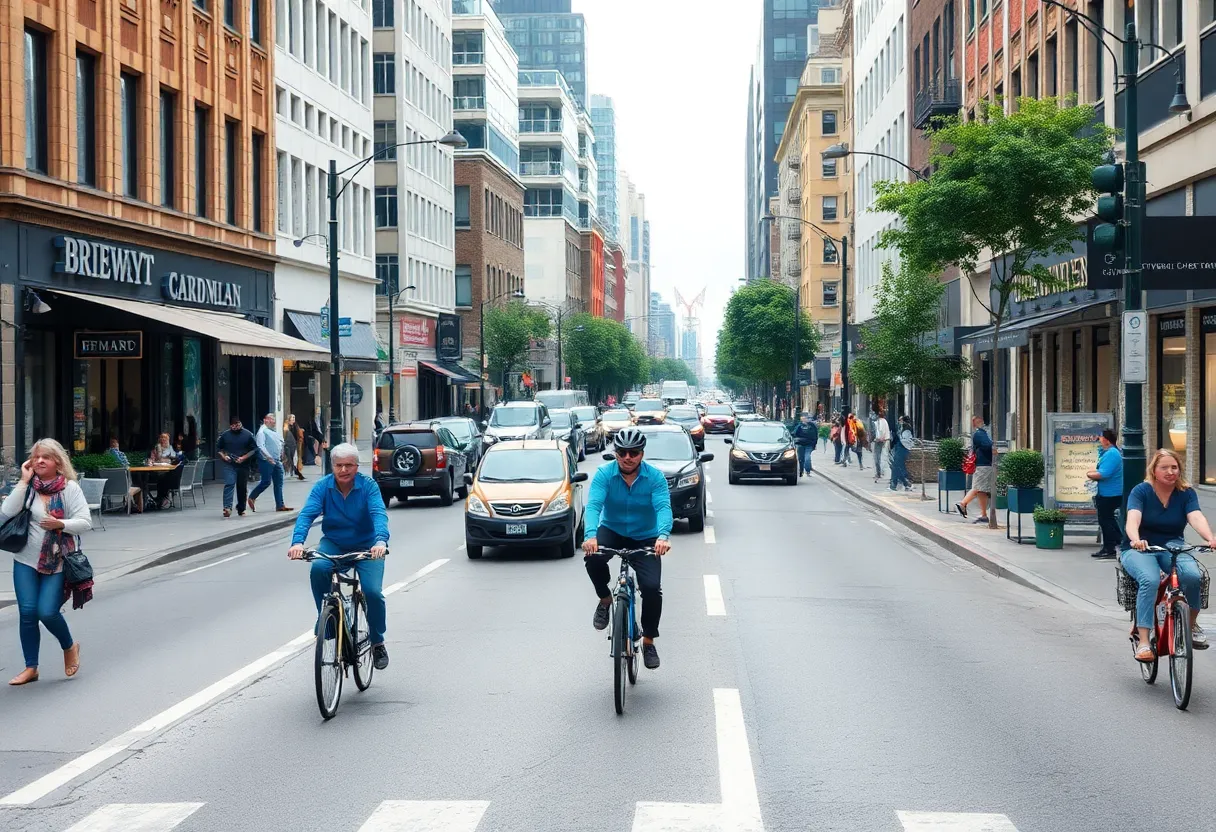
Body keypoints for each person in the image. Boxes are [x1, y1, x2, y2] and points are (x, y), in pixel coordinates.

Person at [288, 443, 390, 671]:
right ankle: (327, 620)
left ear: (357, 466)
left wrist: (380, 542)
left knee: (372, 592)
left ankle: (377, 642)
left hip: (368, 547)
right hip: (334, 543)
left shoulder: (368, 486)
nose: (344, 470)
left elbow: (378, 514)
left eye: (349, 465)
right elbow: (306, 515)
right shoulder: (322, 487)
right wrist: (297, 543)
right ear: (332, 466)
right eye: (339, 465)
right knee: (318, 568)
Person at [582, 427, 672, 670]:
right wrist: (590, 536)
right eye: (622, 452)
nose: (627, 457)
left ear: (642, 454)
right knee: (593, 558)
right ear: (616, 453)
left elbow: (663, 507)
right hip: (612, 531)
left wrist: (663, 536)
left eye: (633, 453)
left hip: (645, 536)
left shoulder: (655, 477)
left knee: (651, 588)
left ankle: (649, 641)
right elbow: (594, 506)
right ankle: (604, 599)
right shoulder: (604, 474)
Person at [4, 439, 90, 686]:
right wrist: (23, 481)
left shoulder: (69, 489)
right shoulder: (29, 487)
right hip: (25, 559)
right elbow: (6, 512)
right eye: (36, 457)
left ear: (58, 463)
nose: (40, 461)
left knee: (47, 612)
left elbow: (85, 521)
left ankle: (69, 645)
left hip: (58, 562)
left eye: (46, 457)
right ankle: (31, 667)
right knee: (27, 613)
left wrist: (60, 524)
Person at [1122, 449, 1216, 661]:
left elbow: (1195, 516)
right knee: (1150, 579)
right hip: (1140, 547)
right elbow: (1133, 518)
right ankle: (1144, 642)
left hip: (1172, 544)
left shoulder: (1186, 493)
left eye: (1174, 467)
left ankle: (1191, 625)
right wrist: (1136, 539)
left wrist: (1210, 537)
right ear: (1154, 470)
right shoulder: (1141, 491)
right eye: (1164, 467)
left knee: (1193, 576)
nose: (1170, 471)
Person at [1087, 428, 1124, 559]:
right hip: (1109, 492)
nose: (1099, 439)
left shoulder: (1112, 454)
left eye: (1101, 437)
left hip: (1110, 493)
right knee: (1108, 520)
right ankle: (1118, 542)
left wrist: (1089, 474)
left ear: (1107, 440)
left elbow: (1104, 474)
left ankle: (1110, 548)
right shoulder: (1110, 452)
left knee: (1105, 521)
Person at [249, 413, 291, 513]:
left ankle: (280, 505)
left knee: (279, 482)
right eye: (271, 419)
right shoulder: (262, 432)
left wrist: (281, 454)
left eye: (274, 420)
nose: (274, 421)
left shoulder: (272, 431)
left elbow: (279, 443)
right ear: (265, 420)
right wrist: (268, 457)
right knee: (266, 481)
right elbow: (261, 446)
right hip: (266, 461)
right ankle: (252, 497)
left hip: (276, 460)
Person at [216, 416, 257, 518]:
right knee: (229, 483)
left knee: (242, 487)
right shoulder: (225, 435)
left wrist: (244, 457)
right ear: (231, 426)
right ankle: (227, 508)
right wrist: (224, 456)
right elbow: (219, 449)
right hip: (229, 464)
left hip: (244, 465)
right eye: (234, 425)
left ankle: (241, 508)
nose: (237, 427)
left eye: (238, 424)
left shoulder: (248, 434)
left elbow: (254, 449)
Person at [955, 416, 994, 524]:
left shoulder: (979, 433)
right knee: (977, 487)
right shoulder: (980, 433)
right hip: (984, 464)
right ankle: (963, 504)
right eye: (978, 421)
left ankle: (984, 515)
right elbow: (987, 445)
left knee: (981, 489)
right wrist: (993, 448)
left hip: (982, 464)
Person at [105, 438, 143, 513]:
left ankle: (131, 504)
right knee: (139, 486)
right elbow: (126, 464)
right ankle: (137, 507)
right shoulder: (119, 455)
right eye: (115, 444)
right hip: (124, 488)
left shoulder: (106, 459)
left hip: (108, 488)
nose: (116, 445)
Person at [148, 432, 181, 510]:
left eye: (165, 438)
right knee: (161, 479)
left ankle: (161, 498)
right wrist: (151, 461)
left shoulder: (170, 449)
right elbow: (152, 459)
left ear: (168, 440)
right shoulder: (156, 448)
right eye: (162, 438)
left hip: (169, 474)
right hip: (156, 471)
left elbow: (174, 459)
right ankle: (161, 498)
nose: (163, 439)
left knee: (163, 479)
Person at [890, 416, 914, 492]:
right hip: (900, 448)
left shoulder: (907, 428)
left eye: (900, 420)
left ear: (903, 421)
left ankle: (896, 483)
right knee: (896, 466)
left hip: (903, 448)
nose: (899, 421)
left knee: (896, 466)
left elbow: (905, 440)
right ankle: (904, 483)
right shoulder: (903, 427)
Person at [791, 411, 818, 478]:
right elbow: (794, 433)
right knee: (802, 458)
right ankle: (802, 471)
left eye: (806, 418)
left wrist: (814, 444)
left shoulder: (811, 426)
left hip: (807, 444)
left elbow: (816, 435)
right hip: (802, 444)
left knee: (806, 458)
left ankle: (806, 470)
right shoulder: (800, 425)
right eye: (804, 418)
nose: (805, 419)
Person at [283, 414, 304, 482]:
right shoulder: (286, 425)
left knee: (294, 458)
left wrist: (300, 430)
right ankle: (293, 471)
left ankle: (294, 471)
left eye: (294, 417)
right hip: (289, 444)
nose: (294, 419)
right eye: (292, 417)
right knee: (289, 458)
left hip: (295, 444)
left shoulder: (295, 425)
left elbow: (297, 433)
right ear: (289, 419)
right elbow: (285, 432)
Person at [872, 413, 891, 482]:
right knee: (881, 457)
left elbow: (881, 432)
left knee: (879, 457)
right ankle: (879, 472)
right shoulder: (883, 421)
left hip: (882, 441)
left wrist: (880, 439)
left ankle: (879, 473)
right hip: (883, 440)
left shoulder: (881, 421)